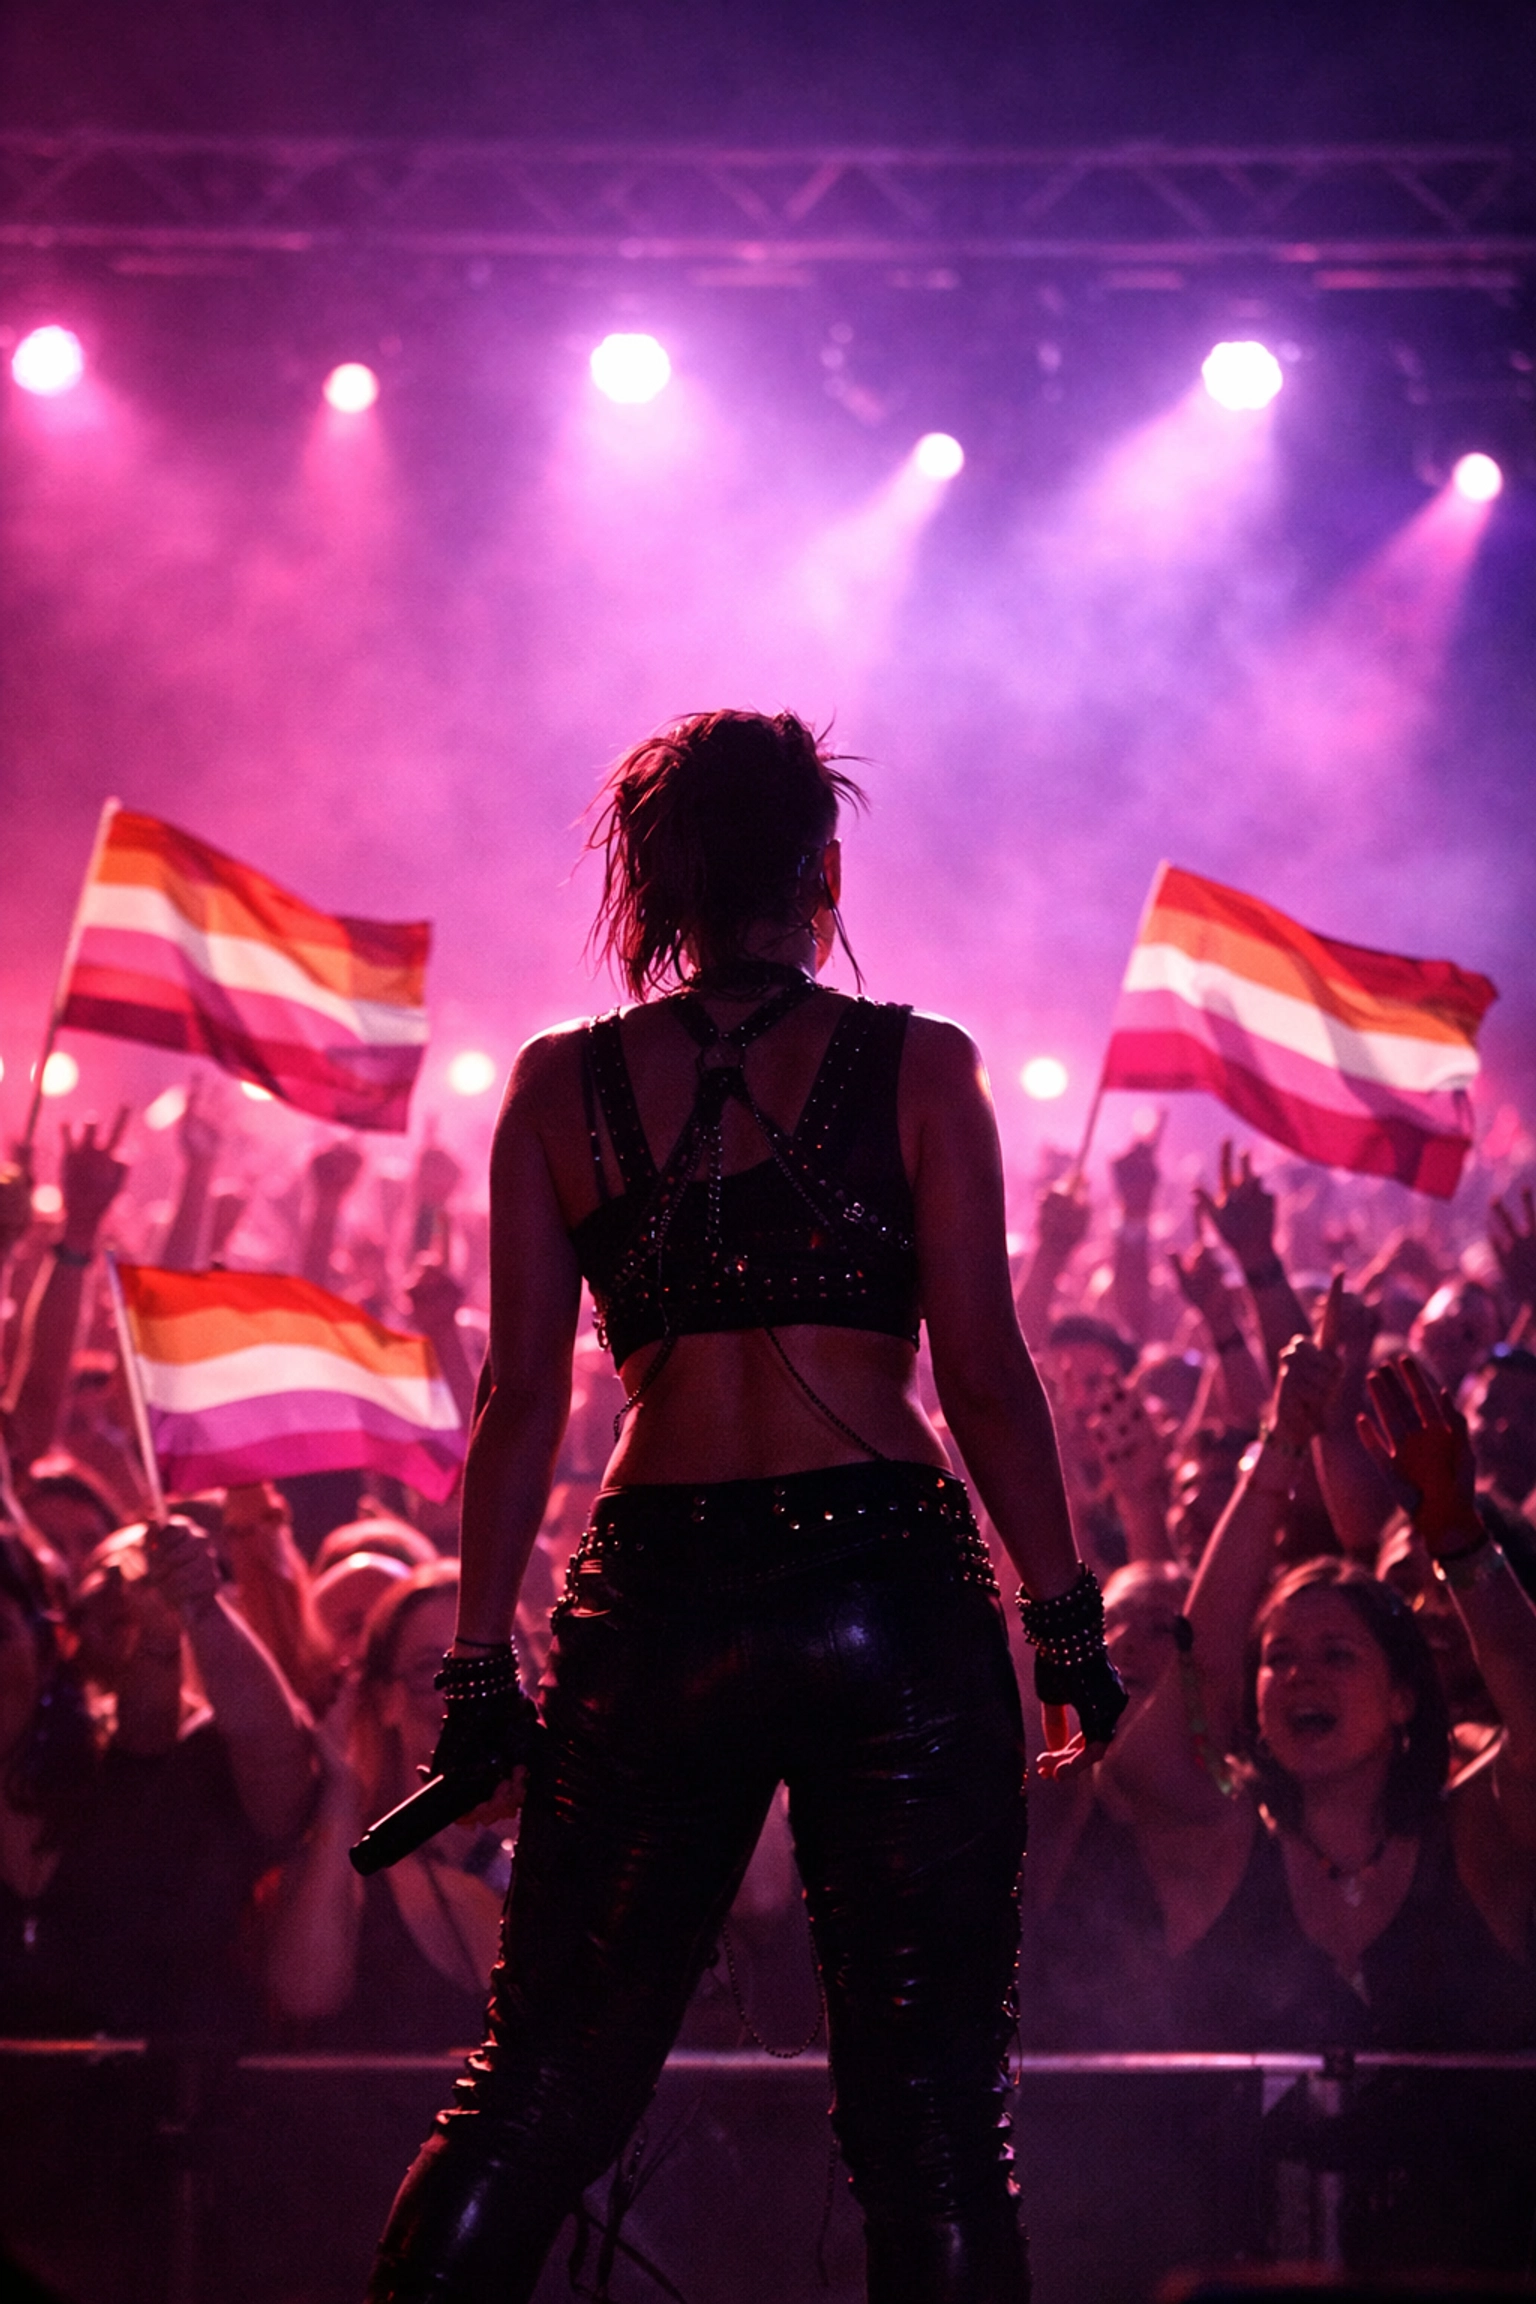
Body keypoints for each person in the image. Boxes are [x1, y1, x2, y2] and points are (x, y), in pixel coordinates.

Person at [367, 709, 1124, 2304]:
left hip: (661, 1587)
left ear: (660, 887)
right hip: (886, 1584)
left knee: (536, 2089)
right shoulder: (923, 1064)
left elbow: (518, 1401)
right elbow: (985, 1375)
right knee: (932, 2128)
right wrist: (1064, 1620)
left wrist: (480, 1665)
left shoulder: (556, 1084)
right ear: (823, 874)